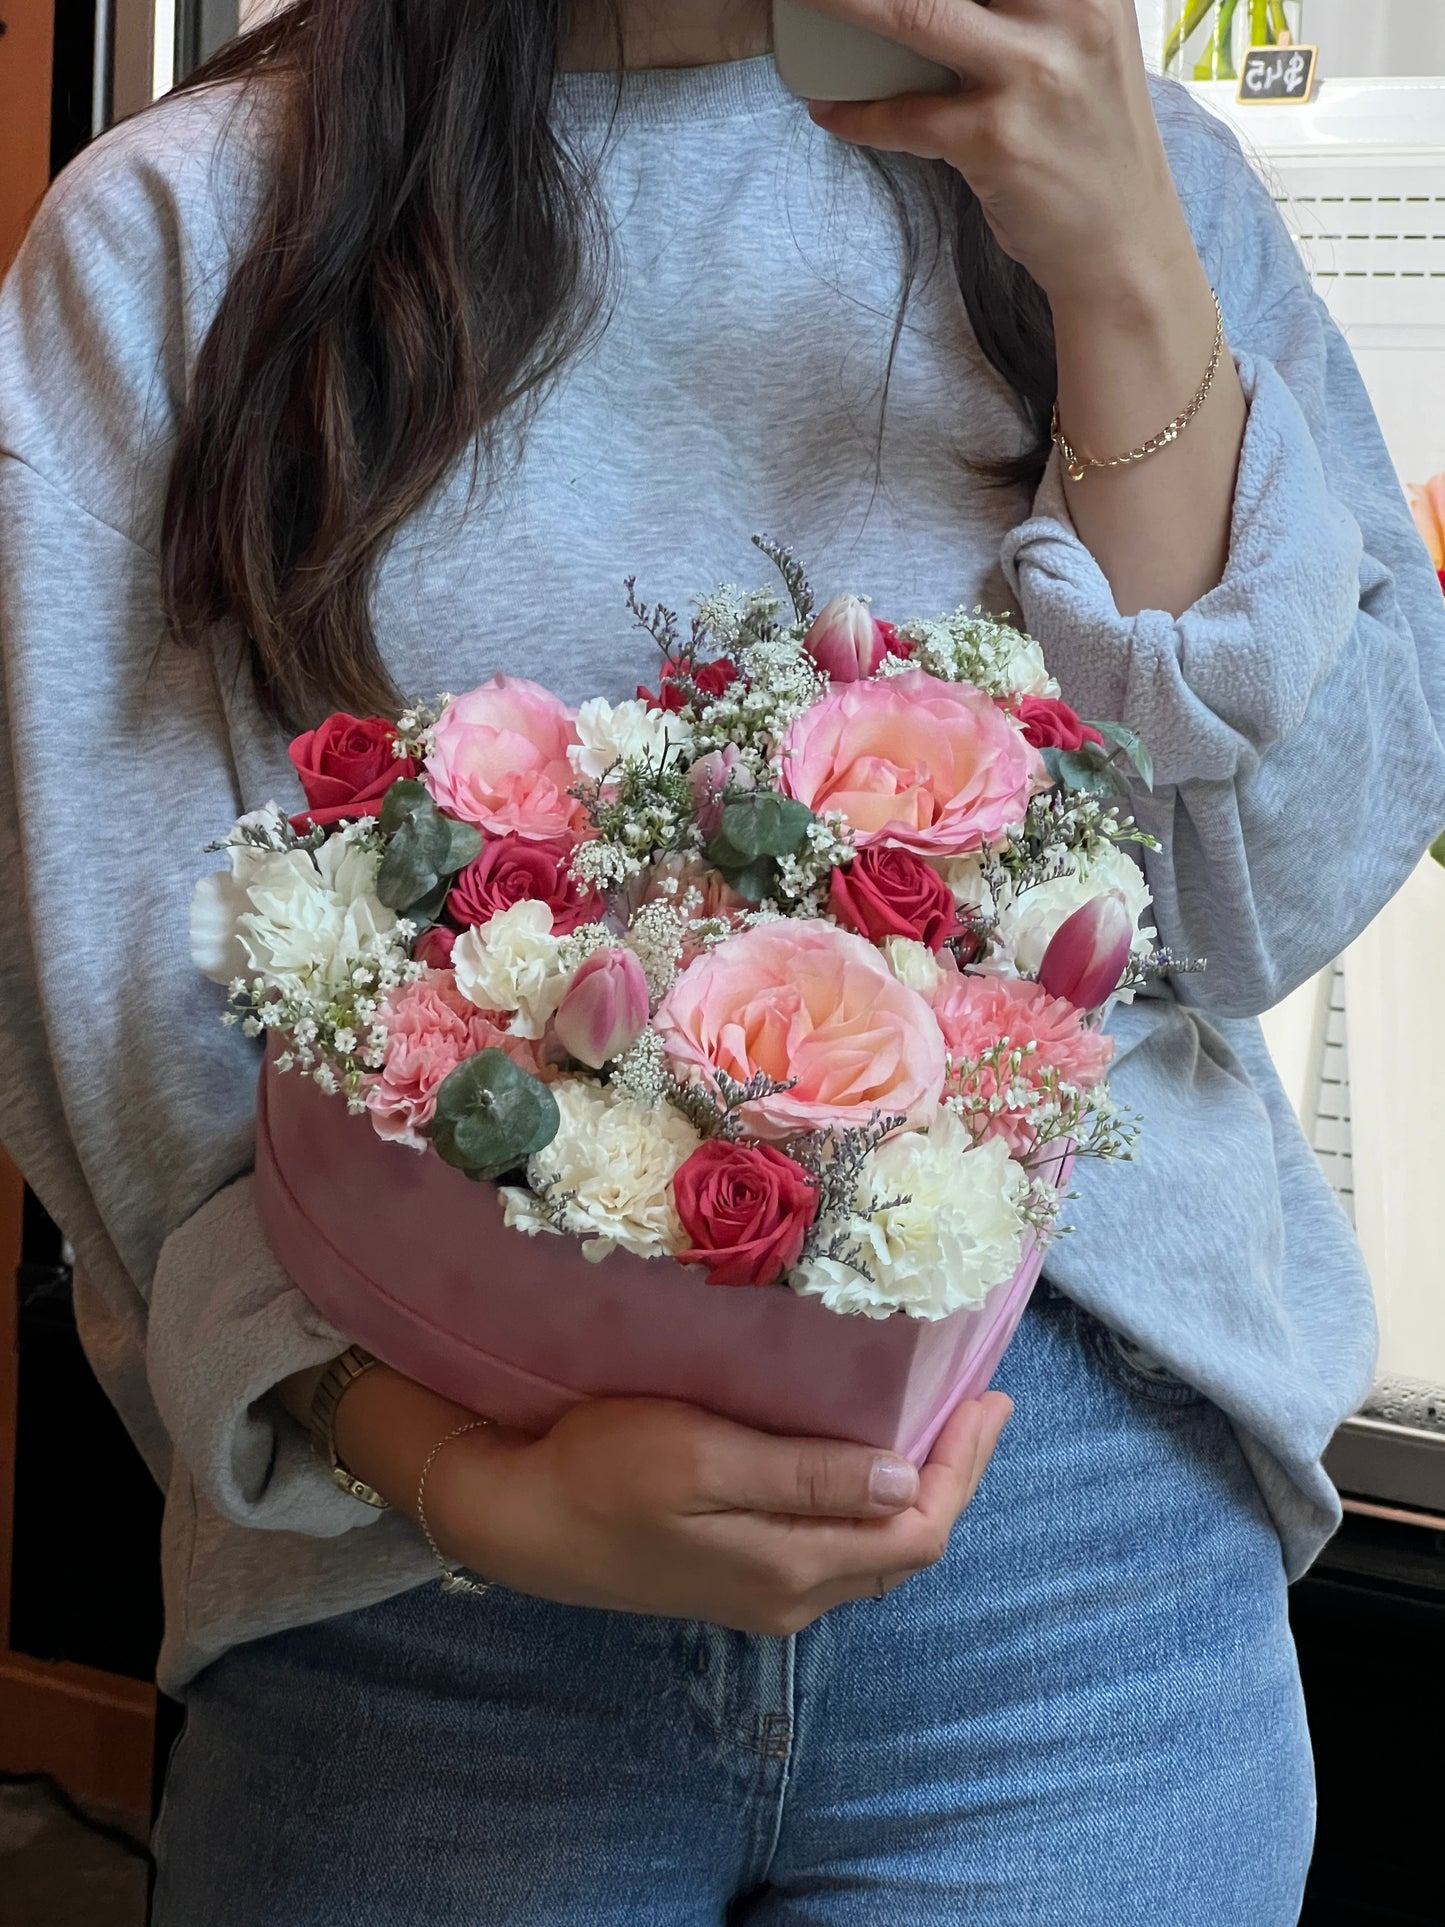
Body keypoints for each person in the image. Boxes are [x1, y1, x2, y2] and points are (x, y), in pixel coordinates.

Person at [2, 0, 1442, 1918]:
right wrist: (455, 1477)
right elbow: (133, 1056)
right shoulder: (181, 232)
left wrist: (1122, 276)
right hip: (412, 1590)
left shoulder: (1137, 178)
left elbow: (1275, 902)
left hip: (1070, 1565)